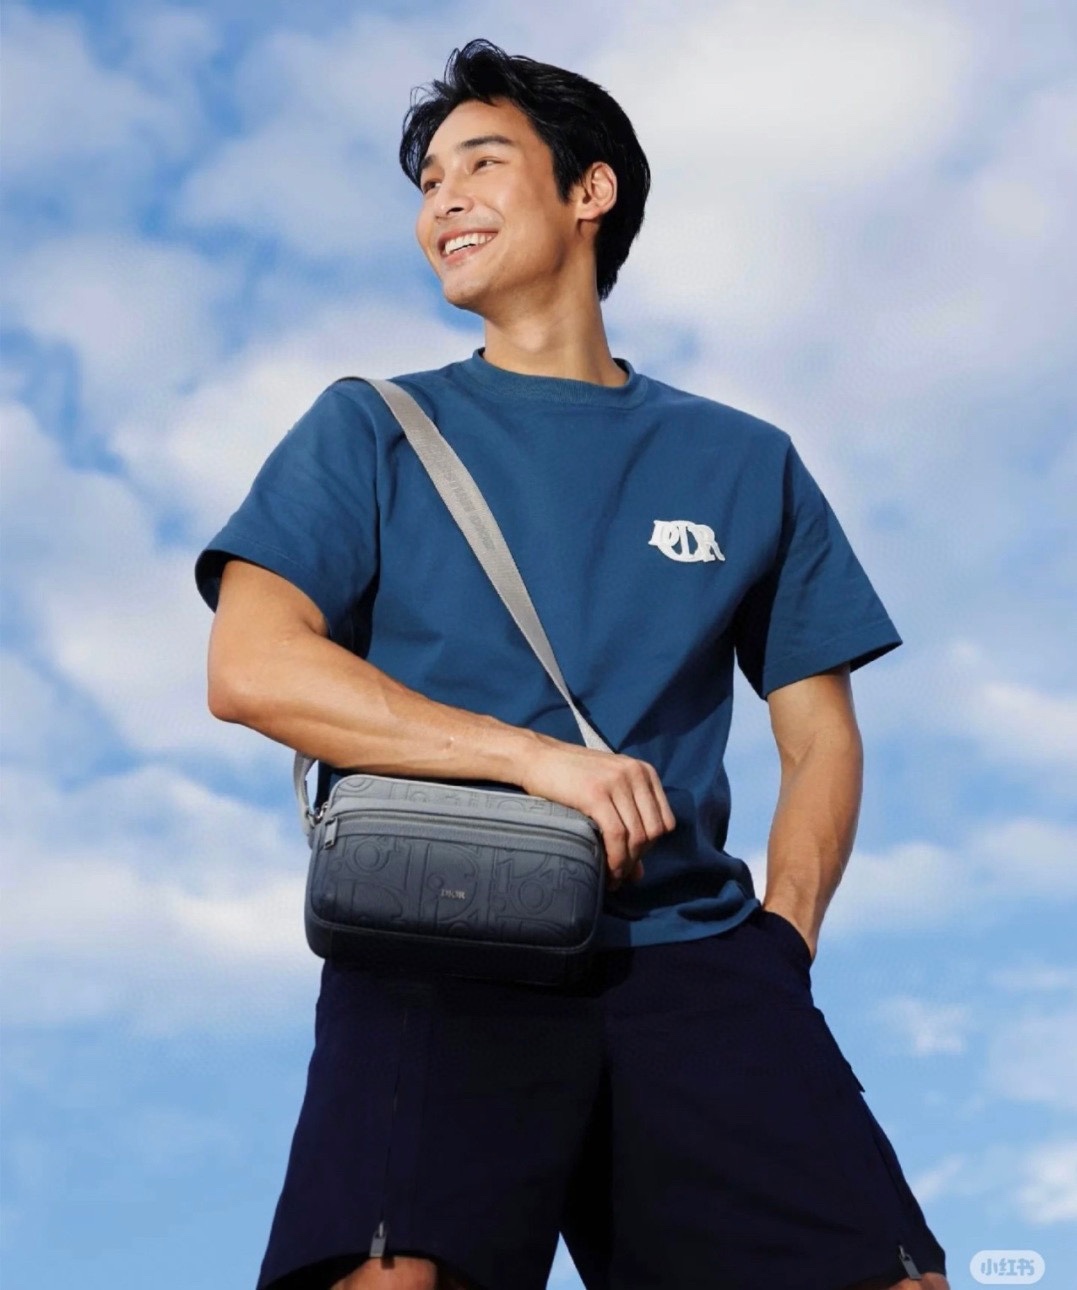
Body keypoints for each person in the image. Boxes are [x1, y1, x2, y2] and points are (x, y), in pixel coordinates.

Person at [196, 38, 950, 1290]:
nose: (444, 201)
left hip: (699, 962)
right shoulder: (370, 426)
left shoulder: (745, 460)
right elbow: (252, 667)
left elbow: (819, 731)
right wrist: (535, 763)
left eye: (480, 164)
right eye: (429, 181)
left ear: (588, 190)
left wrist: (785, 938)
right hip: (438, 936)